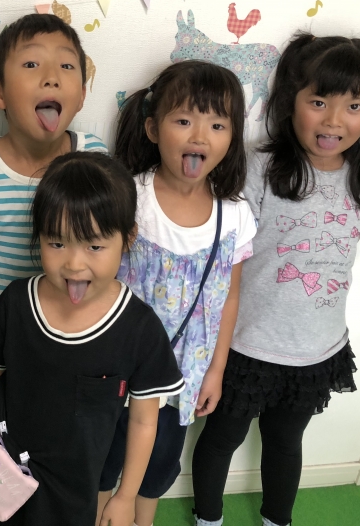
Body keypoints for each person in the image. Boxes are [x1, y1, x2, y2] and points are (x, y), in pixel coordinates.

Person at [191, 34, 360, 526]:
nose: (333, 120)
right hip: (245, 346)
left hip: (316, 350)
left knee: (286, 441)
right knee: (222, 438)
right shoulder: (259, 167)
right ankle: (208, 518)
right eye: (319, 101)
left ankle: (277, 519)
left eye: (354, 106)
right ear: (293, 101)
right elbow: (228, 258)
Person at [0, 152, 185, 526]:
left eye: (94, 246)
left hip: (71, 493)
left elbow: (144, 421)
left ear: (127, 238)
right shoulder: (16, 303)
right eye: (57, 243)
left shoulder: (139, 328)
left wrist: (125, 496)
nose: (74, 264)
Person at [97, 61, 257, 526]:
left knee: (157, 469)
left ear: (233, 137)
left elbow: (229, 298)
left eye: (217, 125)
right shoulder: (130, 198)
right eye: (184, 120)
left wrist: (217, 370)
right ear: (153, 128)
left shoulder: (235, 215)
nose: (200, 136)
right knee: (104, 463)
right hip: (116, 369)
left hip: (183, 375)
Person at [0, 13, 106, 440]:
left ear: (82, 94)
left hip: (70, 335)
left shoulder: (95, 158)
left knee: (52, 441)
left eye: (66, 66)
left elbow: (108, 249)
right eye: (31, 64)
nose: (51, 77)